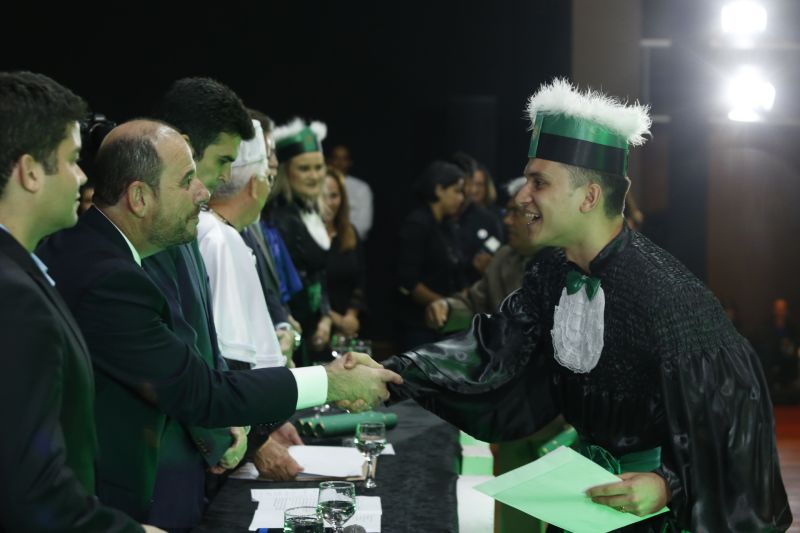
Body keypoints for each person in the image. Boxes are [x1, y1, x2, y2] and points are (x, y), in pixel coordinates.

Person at [381, 79, 790, 531]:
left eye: (539, 182)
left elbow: (736, 425)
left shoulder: (668, 295)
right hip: (582, 495)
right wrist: (394, 372)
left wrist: (666, 483)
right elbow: (496, 350)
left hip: (648, 514)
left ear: (589, 196)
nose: (520, 197)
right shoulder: (551, 271)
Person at [36, 119, 402, 524]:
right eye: (187, 179)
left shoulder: (114, 257)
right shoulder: (108, 276)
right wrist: (329, 381)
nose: (205, 192)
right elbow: (198, 389)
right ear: (139, 197)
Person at [0, 71, 159, 532]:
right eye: (71, 160)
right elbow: (27, 490)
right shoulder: (12, 296)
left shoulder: (20, 273)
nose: (83, 176)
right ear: (30, 172)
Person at [267, 118, 333, 364]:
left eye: (319, 167)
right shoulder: (277, 219)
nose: (314, 176)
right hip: (291, 335)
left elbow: (319, 274)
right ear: (285, 171)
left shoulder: (313, 211)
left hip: (315, 331)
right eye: (304, 168)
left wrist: (325, 317)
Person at [396, 160, 469, 349]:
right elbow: (408, 280)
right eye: (457, 191)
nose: (461, 198)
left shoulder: (448, 226)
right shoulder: (417, 224)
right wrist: (444, 304)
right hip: (420, 326)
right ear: (439, 190)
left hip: (447, 324)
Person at [322, 167, 366, 339]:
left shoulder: (350, 232)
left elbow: (361, 279)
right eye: (323, 196)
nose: (329, 202)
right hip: (317, 326)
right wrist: (337, 320)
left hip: (349, 328)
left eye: (334, 196)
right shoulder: (303, 235)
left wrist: (351, 316)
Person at [449, 152, 504, 284]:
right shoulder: (434, 217)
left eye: (469, 183)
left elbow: (496, 258)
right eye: (457, 184)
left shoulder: (489, 220)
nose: (471, 190)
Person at [327, 144, 374, 240]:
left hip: (351, 242)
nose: (339, 163)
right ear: (329, 160)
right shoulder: (320, 185)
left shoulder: (361, 188)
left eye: (344, 159)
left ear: (350, 162)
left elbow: (363, 225)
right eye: (336, 158)